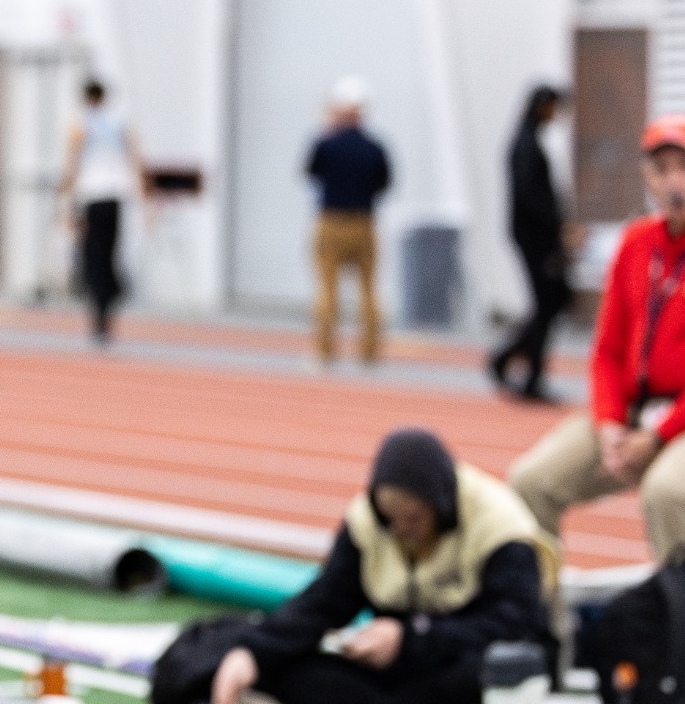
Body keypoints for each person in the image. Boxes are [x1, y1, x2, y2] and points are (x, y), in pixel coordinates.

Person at [209, 429, 554, 704]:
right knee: (287, 666)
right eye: (390, 520)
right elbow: (326, 600)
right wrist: (255, 652)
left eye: (414, 518)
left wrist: (412, 638)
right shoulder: (367, 520)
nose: (402, 531)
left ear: (441, 506)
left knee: (478, 676)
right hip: (394, 670)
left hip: (463, 660)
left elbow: (514, 622)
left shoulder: (500, 527)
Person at [508, 114, 685, 565]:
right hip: (631, 412)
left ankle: (675, 625)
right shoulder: (636, 243)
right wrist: (609, 426)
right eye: (660, 170)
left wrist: (658, 435)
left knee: (667, 493)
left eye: (681, 167)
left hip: (676, 419)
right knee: (531, 480)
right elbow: (606, 350)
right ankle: (547, 626)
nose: (673, 183)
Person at [488, 86, 572, 403]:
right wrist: (558, 225)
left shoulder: (530, 140)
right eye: (553, 108)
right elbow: (530, 197)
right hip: (534, 236)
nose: (556, 115)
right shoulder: (525, 145)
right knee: (547, 303)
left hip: (538, 234)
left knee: (551, 302)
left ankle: (508, 358)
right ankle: (530, 375)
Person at [306, 76, 393, 366]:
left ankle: (324, 350)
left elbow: (311, 172)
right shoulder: (375, 147)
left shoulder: (326, 144)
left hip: (331, 220)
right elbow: (385, 182)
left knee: (327, 288)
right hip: (364, 222)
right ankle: (369, 351)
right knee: (368, 289)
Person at [59, 79, 145, 346]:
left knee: (93, 261)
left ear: (86, 98)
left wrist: (64, 197)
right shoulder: (119, 122)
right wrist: (144, 197)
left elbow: (73, 161)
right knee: (109, 255)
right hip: (115, 198)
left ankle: (100, 318)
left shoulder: (82, 123)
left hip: (92, 198)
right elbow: (134, 157)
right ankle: (109, 308)